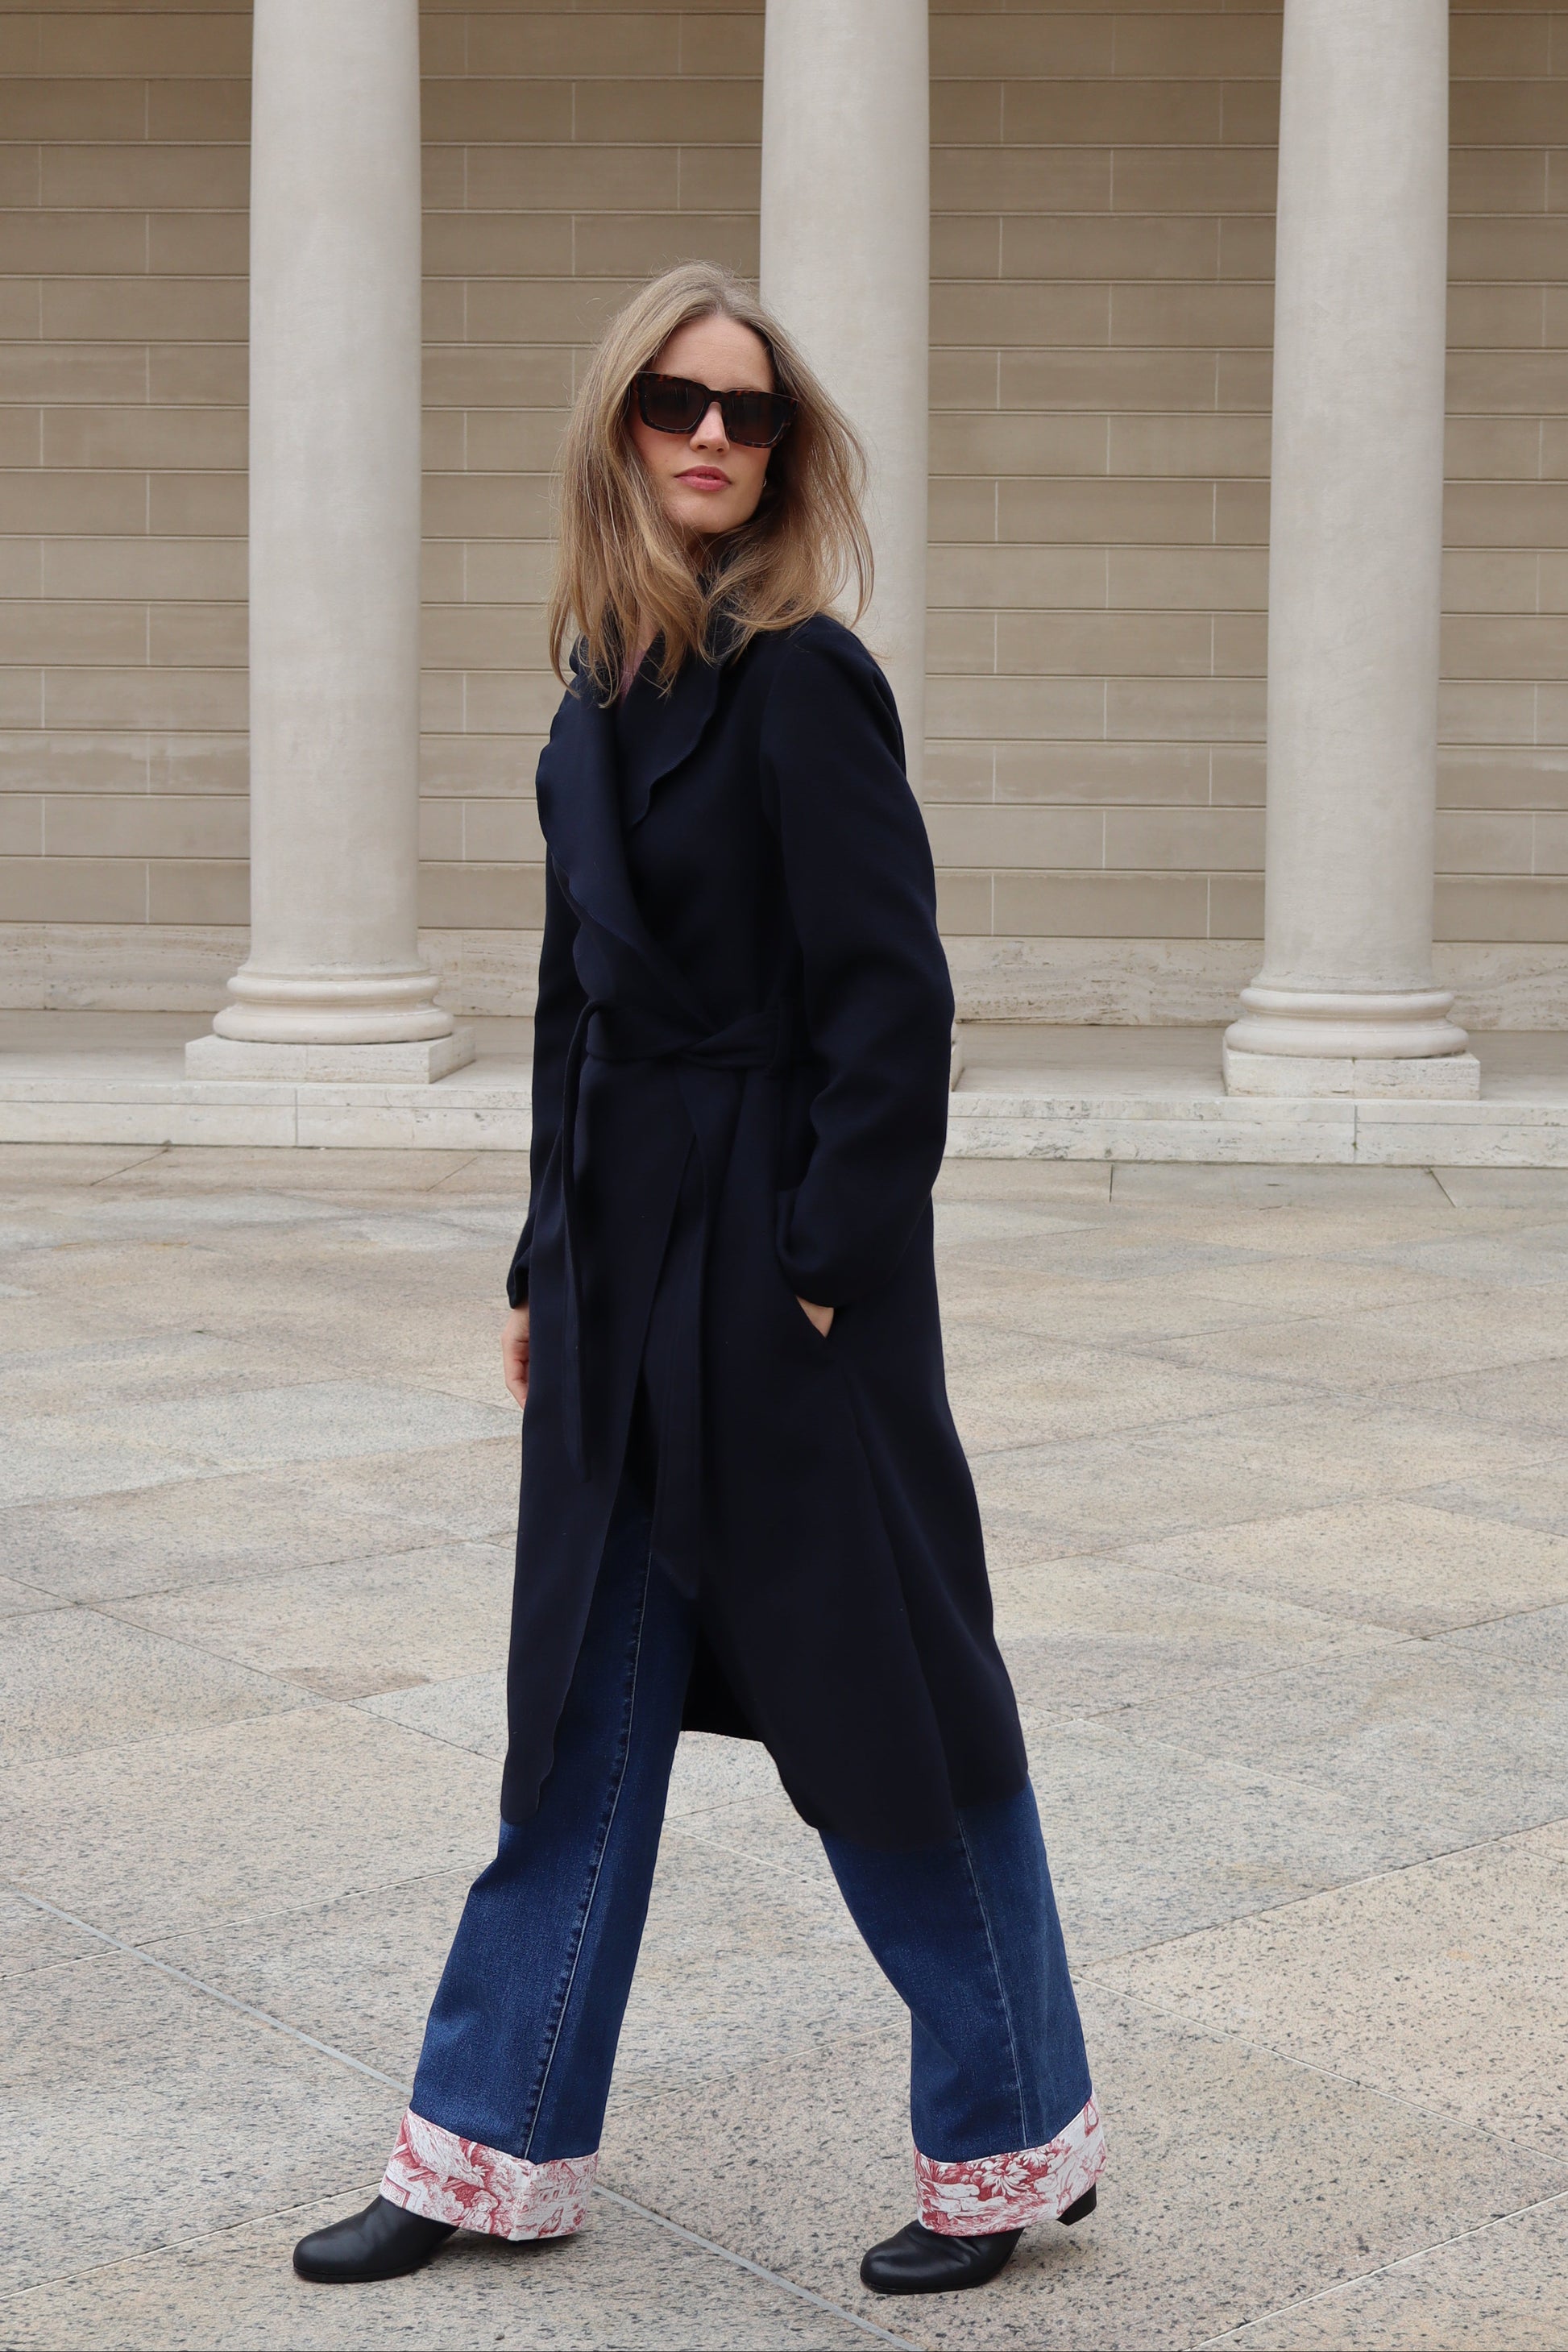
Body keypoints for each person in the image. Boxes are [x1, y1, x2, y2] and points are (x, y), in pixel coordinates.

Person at [292, 261, 1103, 2300]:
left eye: (749, 410)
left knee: (888, 1711)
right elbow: (572, 1004)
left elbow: (891, 1004)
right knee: (572, 1711)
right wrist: (540, 1263)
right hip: (618, 1274)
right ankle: (488, 2146)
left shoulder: (806, 678)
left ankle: (1008, 2136)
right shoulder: (595, 687)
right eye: (674, 401)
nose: (712, 436)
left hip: (780, 1278)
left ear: (786, 447)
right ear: (619, 429)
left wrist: (820, 1274)